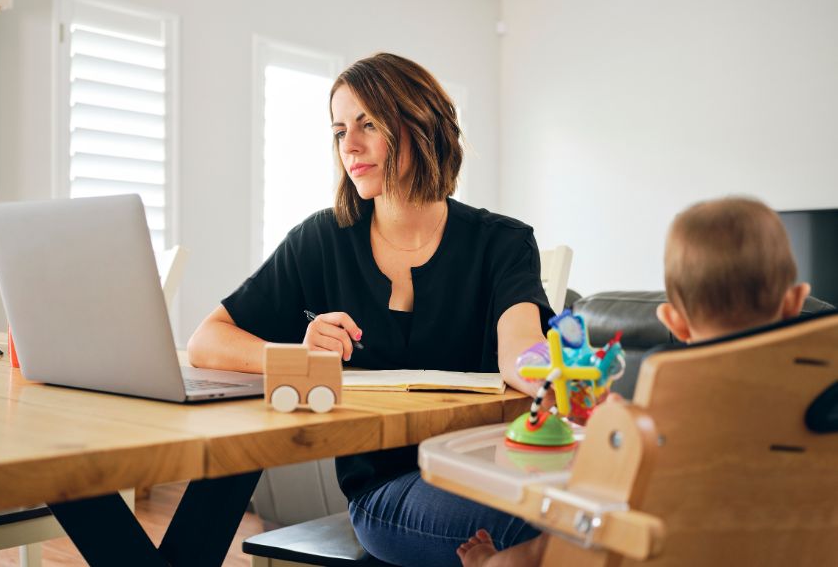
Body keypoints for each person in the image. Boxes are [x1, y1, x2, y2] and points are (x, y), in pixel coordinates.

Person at [188, 52, 555, 566]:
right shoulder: (322, 239)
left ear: (419, 125)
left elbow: (522, 347)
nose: (350, 146)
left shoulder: (503, 242)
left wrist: (571, 387)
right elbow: (207, 340)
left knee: (584, 509)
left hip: (490, 469)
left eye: (369, 124)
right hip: (388, 493)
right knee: (551, 524)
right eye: (340, 131)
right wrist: (297, 353)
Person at [456, 196, 810, 567]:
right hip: (778, 545)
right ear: (796, 301)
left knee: (555, 537)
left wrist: (610, 418)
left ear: (674, 321)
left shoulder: (668, 388)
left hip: (662, 548)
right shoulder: (814, 389)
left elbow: (618, 462)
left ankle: (494, 563)